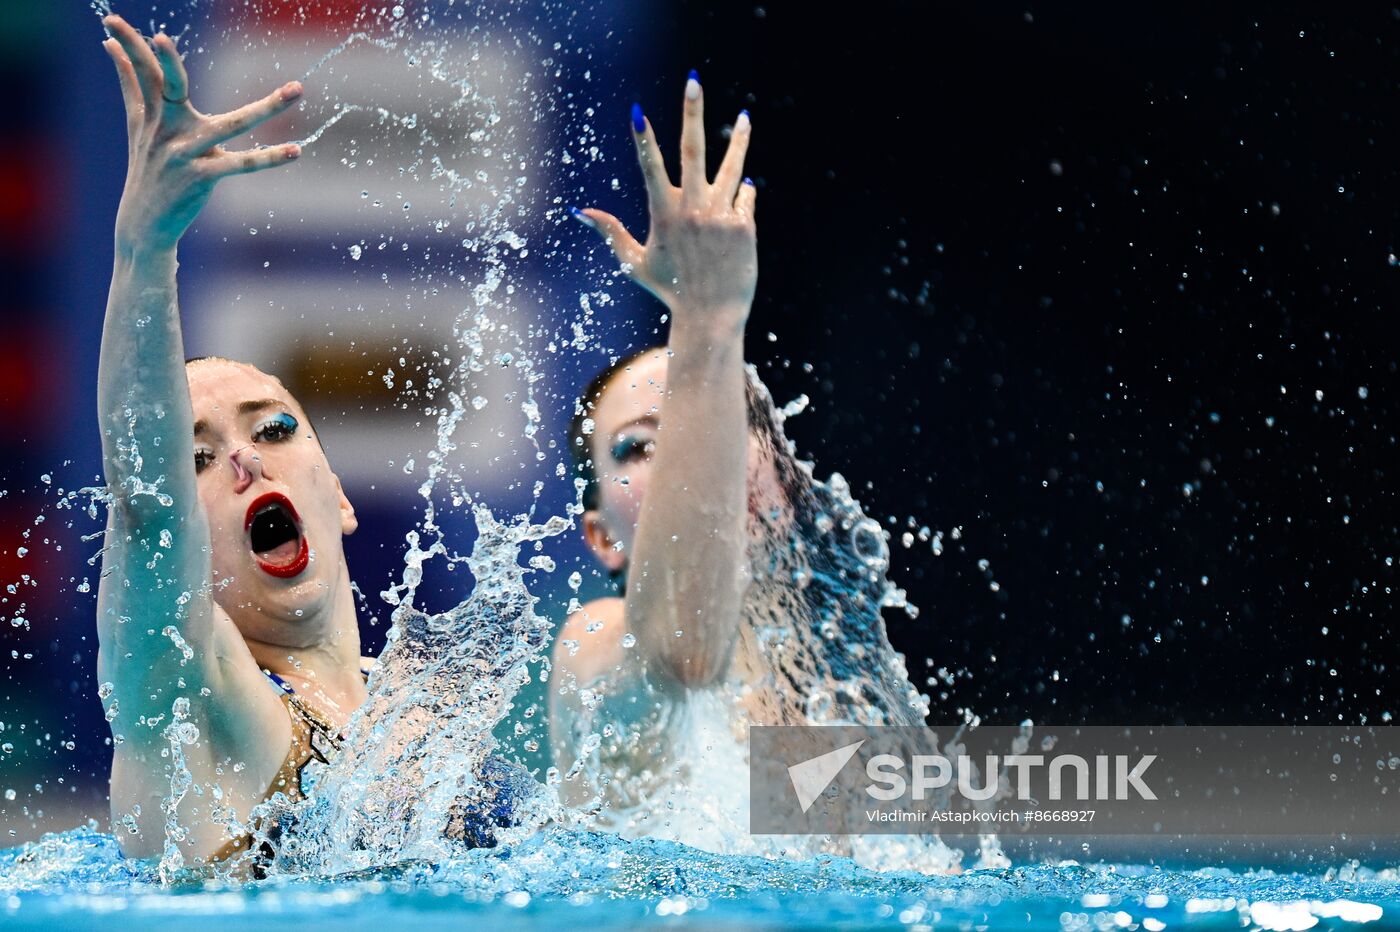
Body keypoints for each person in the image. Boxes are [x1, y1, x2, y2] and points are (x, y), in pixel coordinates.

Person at [95, 15, 520, 869]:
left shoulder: (428, 714)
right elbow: (144, 515)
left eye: (273, 427)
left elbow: (689, 823)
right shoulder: (195, 703)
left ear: (339, 493)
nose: (245, 458)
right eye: (199, 459)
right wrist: (145, 254)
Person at [548, 70, 774, 847]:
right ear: (602, 535)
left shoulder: (817, 681)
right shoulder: (594, 644)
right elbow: (683, 654)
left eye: (709, 430)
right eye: (642, 446)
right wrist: (708, 324)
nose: (689, 459)